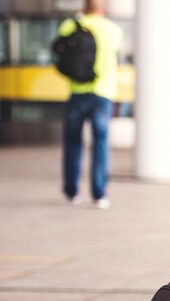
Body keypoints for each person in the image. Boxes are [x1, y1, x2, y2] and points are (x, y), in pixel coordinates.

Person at [58, 0, 121, 209]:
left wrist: (79, 18)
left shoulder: (71, 25)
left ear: (84, 7)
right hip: (102, 93)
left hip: (77, 92)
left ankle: (72, 191)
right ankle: (99, 194)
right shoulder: (112, 29)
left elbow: (60, 46)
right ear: (102, 9)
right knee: (100, 143)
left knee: (73, 142)